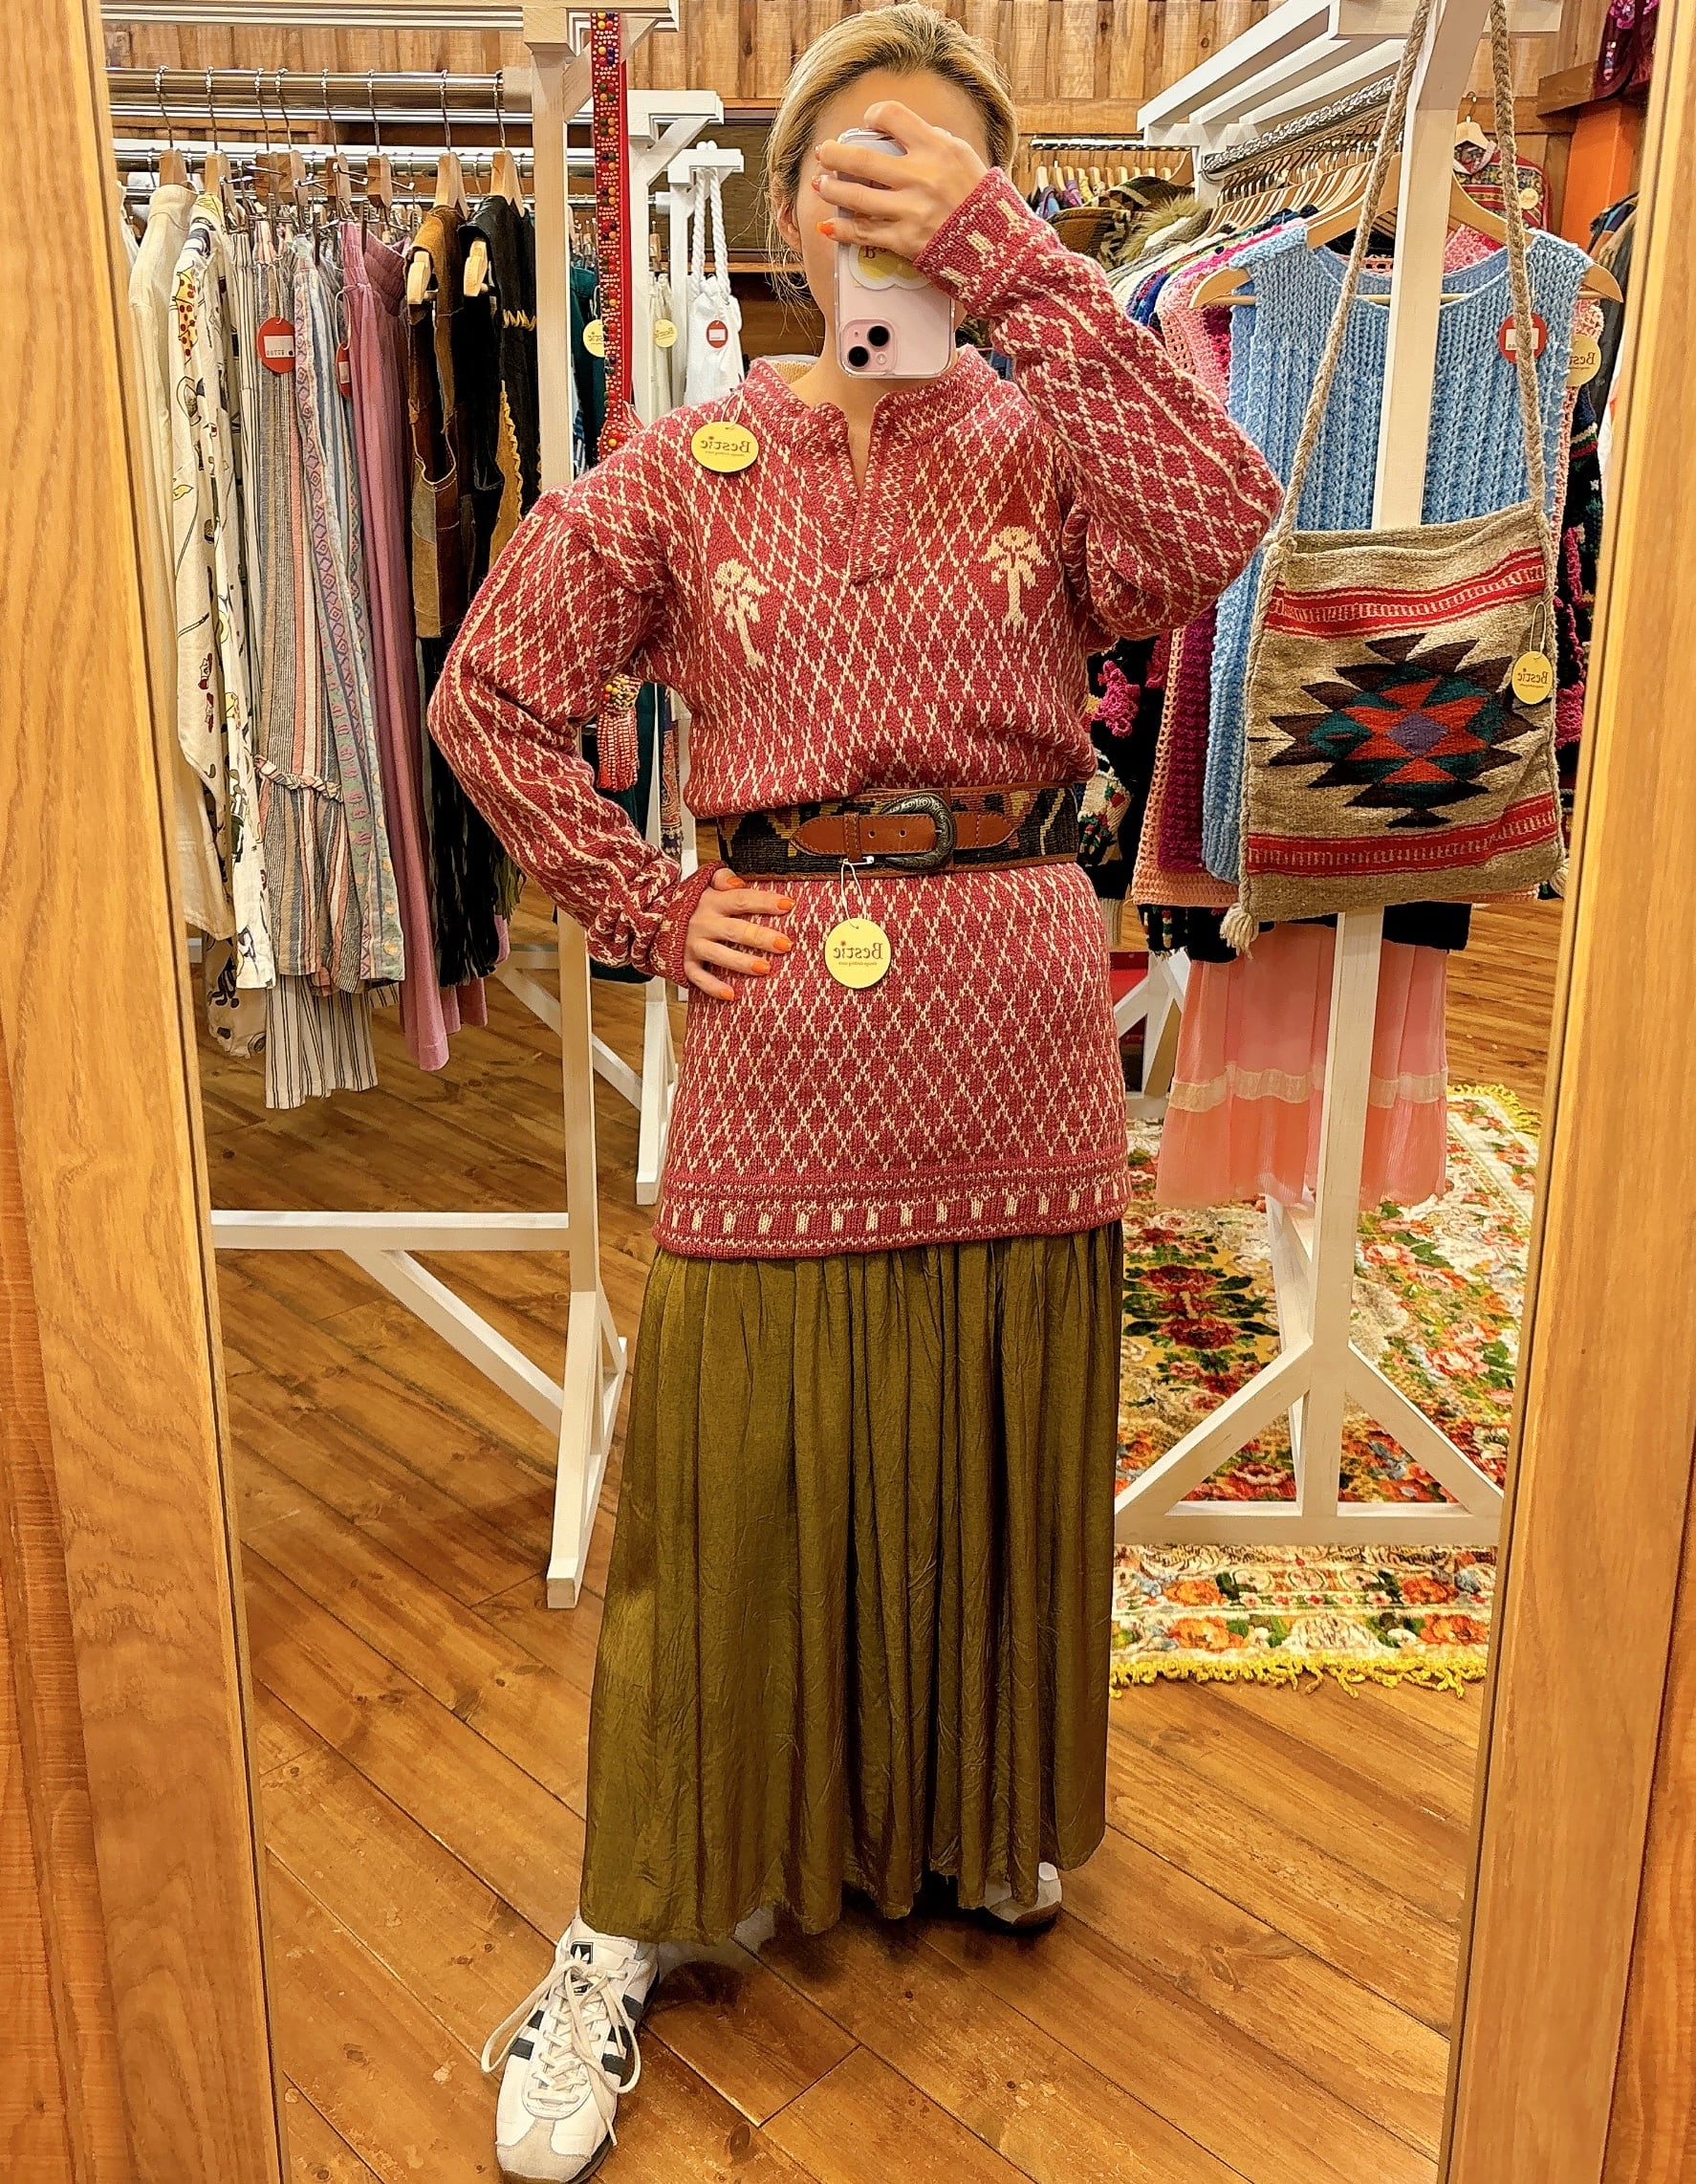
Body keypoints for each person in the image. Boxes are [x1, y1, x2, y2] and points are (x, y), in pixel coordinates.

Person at [432, 10, 1278, 2176]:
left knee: (985, 1421)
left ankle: (963, 1819)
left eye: (942, 167)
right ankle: (627, 1914)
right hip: (785, 1019)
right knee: (724, 1468)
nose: (894, 200)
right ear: (794, 208)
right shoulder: (684, 461)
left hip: (1015, 1011)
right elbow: (491, 695)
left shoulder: (1054, 437)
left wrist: (1021, 263)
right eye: (857, 163)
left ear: (994, 201)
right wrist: (642, 901)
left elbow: (1218, 522)